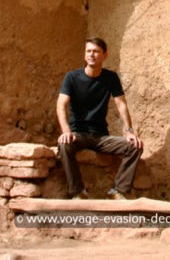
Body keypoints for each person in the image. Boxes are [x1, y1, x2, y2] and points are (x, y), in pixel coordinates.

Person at [56, 37, 143, 200]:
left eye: (96, 51)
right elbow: (61, 104)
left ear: (105, 55)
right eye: (88, 51)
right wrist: (66, 131)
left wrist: (130, 131)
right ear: (84, 55)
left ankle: (117, 191)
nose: (91, 55)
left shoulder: (111, 78)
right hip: (78, 135)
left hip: (101, 136)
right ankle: (78, 191)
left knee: (135, 146)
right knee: (63, 144)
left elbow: (121, 104)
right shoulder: (72, 77)